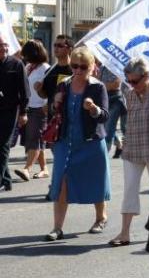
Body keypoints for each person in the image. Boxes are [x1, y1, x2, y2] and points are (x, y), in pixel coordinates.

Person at [45, 47, 110, 241]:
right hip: (66, 140)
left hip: (90, 142)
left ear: (91, 67)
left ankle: (101, 218)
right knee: (61, 181)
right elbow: (55, 113)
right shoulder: (64, 85)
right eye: (74, 66)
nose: (78, 70)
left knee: (96, 181)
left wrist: (94, 109)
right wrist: (55, 103)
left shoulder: (97, 87)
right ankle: (57, 227)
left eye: (83, 67)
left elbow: (104, 116)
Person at [109, 58, 149, 247]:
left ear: (147, 76)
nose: (132, 85)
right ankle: (124, 233)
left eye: (135, 81)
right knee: (129, 191)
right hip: (132, 150)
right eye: (129, 81)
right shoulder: (129, 94)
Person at [34, 34, 74, 199]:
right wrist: (39, 89)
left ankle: (56, 188)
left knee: (63, 156)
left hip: (70, 119)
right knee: (58, 155)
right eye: (55, 45)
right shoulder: (51, 70)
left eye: (60, 45)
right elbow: (46, 94)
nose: (56, 48)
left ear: (69, 48)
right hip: (53, 121)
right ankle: (61, 187)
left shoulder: (74, 69)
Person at [14, 40, 50, 181]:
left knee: (34, 139)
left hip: (40, 108)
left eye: (27, 54)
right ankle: (44, 169)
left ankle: (27, 169)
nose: (25, 57)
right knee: (34, 139)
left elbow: (51, 88)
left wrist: (47, 104)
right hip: (28, 107)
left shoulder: (45, 68)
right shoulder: (29, 67)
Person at [0, 36, 30, 192]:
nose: (4, 48)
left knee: (3, 144)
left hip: (10, 111)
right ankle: (6, 179)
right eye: (0, 45)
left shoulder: (16, 64)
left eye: (5, 45)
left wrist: (23, 112)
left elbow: (25, 92)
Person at [97, 64, 126, 156]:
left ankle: (103, 155)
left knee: (110, 128)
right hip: (103, 99)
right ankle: (119, 145)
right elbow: (97, 83)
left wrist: (103, 85)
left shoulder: (117, 66)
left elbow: (116, 84)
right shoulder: (102, 67)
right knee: (104, 127)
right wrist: (104, 85)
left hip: (115, 99)